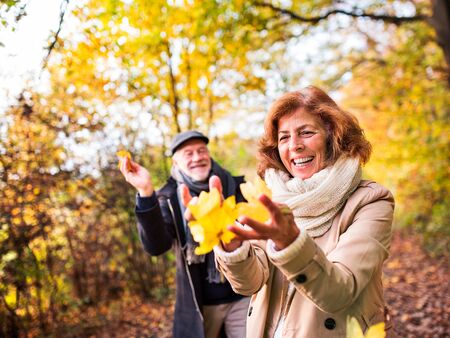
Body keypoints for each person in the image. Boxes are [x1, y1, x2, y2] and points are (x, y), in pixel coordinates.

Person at [212, 86, 395, 337]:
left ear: (334, 137)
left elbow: (340, 292)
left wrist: (291, 244)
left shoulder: (371, 201)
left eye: (306, 133)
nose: (294, 146)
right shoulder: (270, 198)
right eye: (284, 137)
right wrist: (232, 247)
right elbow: (249, 283)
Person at [119, 130, 250, 338]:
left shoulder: (235, 185)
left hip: (243, 296)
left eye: (201, 150)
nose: (197, 157)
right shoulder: (168, 198)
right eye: (188, 153)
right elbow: (156, 246)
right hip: (200, 304)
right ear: (176, 162)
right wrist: (145, 191)